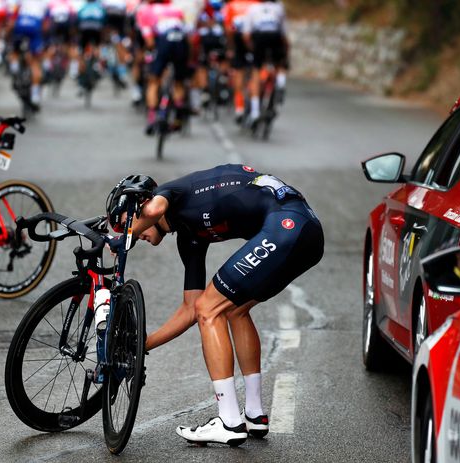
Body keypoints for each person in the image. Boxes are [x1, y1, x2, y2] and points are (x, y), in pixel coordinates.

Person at [106, 164, 324, 445]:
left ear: (141, 205)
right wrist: (141, 344)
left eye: (124, 222)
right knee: (232, 309)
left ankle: (230, 422)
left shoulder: (166, 194)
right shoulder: (189, 236)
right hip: (303, 233)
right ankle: (254, 415)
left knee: (212, 308)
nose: (129, 231)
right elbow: (190, 309)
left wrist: (126, 236)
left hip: (289, 225)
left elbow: (155, 210)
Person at [135, 0, 189, 135]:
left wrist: (152, 55)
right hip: (181, 41)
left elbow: (149, 40)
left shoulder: (145, 11)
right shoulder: (175, 9)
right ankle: (178, 112)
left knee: (153, 81)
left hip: (164, 42)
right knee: (178, 82)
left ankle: (152, 119)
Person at [243, 0, 289, 123]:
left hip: (259, 37)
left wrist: (252, 49)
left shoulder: (253, 8)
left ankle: (255, 111)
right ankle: (280, 83)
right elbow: (284, 32)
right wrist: (285, 51)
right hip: (275, 36)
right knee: (280, 63)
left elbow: (246, 34)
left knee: (256, 72)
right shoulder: (279, 7)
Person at [8, 0, 50, 110]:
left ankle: (14, 69)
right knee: (35, 63)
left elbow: (13, 13)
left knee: (15, 51)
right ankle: (35, 95)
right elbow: (46, 23)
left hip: (21, 23)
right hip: (35, 25)